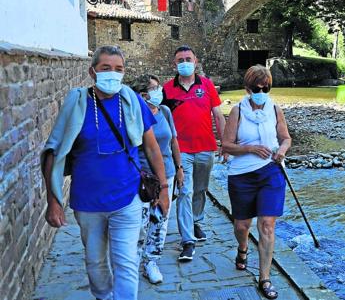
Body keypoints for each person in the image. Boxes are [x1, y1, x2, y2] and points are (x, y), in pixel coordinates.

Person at [41, 46, 169, 300]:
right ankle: (103, 296)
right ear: (92, 71)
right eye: (106, 68)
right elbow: (54, 151)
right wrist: (53, 200)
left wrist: (164, 189)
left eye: (118, 69)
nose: (113, 74)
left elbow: (152, 148)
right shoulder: (77, 103)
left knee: (126, 261)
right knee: (95, 263)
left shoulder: (132, 101)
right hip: (88, 201)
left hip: (127, 197)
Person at [222, 65, 292, 300]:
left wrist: (282, 150)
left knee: (267, 225)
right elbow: (227, 145)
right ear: (247, 88)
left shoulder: (275, 109)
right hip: (242, 175)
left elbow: (285, 138)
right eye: (257, 87)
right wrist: (250, 148)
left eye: (266, 87)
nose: (262, 91)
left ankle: (265, 277)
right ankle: (242, 248)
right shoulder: (237, 111)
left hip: (271, 172)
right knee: (242, 226)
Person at [162, 45, 226, 261]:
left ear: (196, 60)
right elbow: (160, 119)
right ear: (175, 64)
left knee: (200, 189)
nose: (184, 62)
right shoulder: (167, 89)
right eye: (180, 59)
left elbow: (218, 115)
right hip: (181, 152)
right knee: (184, 192)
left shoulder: (207, 86)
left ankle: (196, 221)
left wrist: (225, 143)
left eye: (188, 58)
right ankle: (187, 240)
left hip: (206, 148)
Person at [131, 75, 183, 284]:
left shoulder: (165, 111)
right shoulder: (134, 115)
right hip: (143, 177)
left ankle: (151, 261)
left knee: (160, 219)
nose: (160, 91)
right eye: (155, 88)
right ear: (144, 94)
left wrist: (179, 168)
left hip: (167, 173)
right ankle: (133, 262)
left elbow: (174, 141)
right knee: (140, 223)